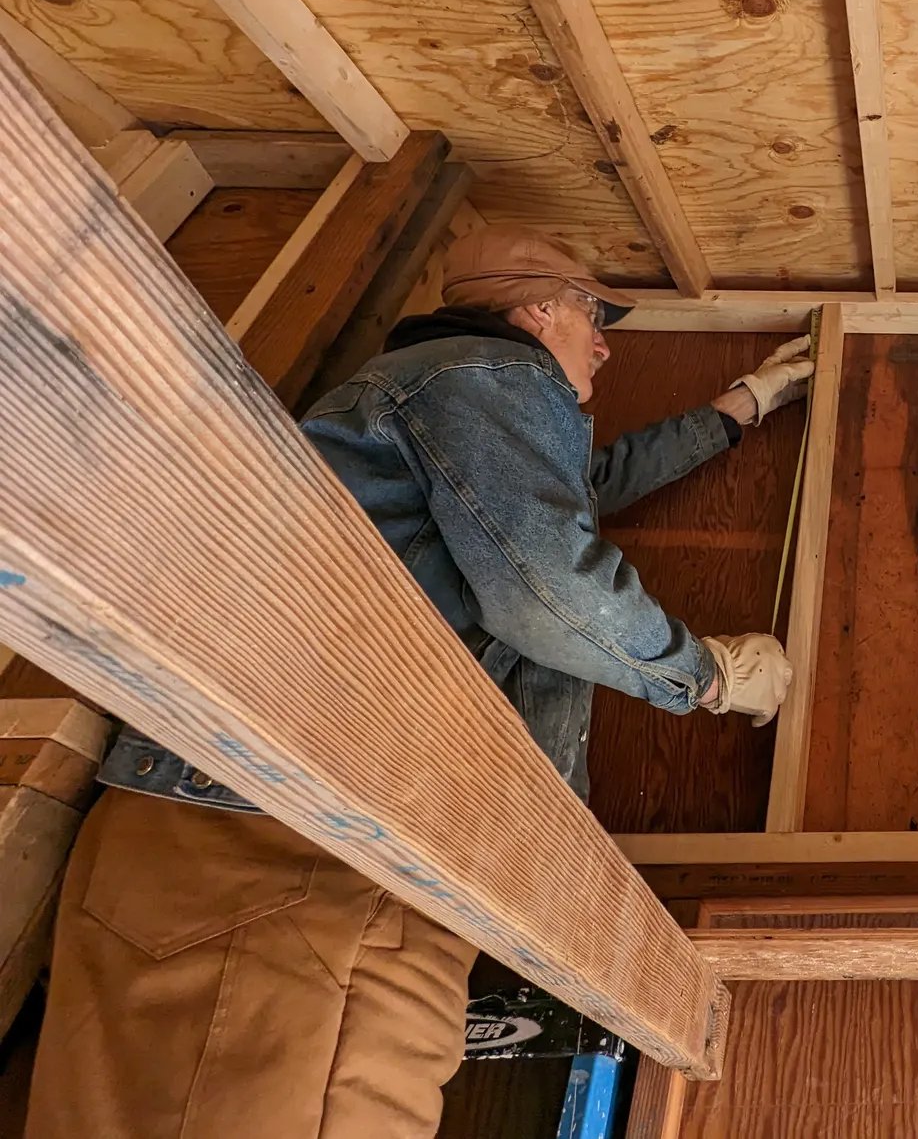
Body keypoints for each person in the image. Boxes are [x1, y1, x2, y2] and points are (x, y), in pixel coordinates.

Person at [26, 226, 808, 1138]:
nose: (602, 343)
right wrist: (705, 677)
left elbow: (581, 493)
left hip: (242, 833)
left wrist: (741, 406)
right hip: (314, 848)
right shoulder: (488, 376)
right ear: (536, 310)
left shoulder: (433, 405)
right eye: (593, 315)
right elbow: (546, 587)